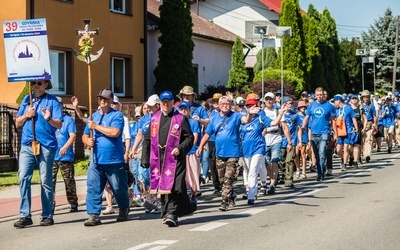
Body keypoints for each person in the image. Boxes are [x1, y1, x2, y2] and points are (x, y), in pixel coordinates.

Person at [196, 95, 260, 211]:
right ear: (219, 106)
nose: (225, 106)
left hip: (233, 153)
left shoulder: (236, 116)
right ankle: (231, 195)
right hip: (220, 153)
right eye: (223, 104)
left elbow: (246, 120)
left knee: (228, 178)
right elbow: (207, 134)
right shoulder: (214, 118)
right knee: (222, 180)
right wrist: (200, 146)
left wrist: (250, 114)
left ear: (230, 105)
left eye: (227, 103)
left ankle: (224, 202)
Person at [141, 91, 196, 227]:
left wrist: (180, 148)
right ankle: (170, 211)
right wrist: (145, 158)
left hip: (175, 158)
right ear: (160, 103)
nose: (165, 104)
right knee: (163, 185)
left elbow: (190, 138)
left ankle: (172, 213)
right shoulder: (154, 118)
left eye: (168, 102)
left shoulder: (180, 118)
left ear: (173, 103)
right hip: (158, 157)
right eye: (163, 102)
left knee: (174, 186)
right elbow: (147, 139)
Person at [14, 80, 63, 228]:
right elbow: (17, 122)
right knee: (23, 177)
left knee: (45, 180)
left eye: (39, 83)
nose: (36, 86)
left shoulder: (52, 101)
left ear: (46, 85)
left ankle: (47, 214)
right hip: (27, 145)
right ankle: (25, 215)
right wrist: (27, 115)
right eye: (34, 83)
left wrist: (49, 118)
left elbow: (59, 124)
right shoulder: (26, 100)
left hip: (46, 145)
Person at [82, 89, 130, 226]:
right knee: (93, 187)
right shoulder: (93, 117)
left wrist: (96, 127)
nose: (103, 100)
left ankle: (123, 207)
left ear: (111, 101)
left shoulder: (117, 116)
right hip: (96, 159)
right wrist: (86, 141)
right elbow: (84, 135)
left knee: (118, 187)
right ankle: (93, 215)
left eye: (106, 99)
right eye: (100, 98)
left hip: (113, 159)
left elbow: (115, 132)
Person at [302, 87, 337, 181]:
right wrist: (303, 127)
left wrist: (335, 133)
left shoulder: (329, 106)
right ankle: (321, 168)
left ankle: (320, 174)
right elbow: (306, 117)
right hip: (314, 133)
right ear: (315, 95)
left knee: (322, 153)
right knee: (316, 155)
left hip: (324, 132)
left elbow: (333, 120)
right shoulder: (312, 105)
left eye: (321, 95)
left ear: (324, 95)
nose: (320, 97)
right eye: (318, 95)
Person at [52, 96, 78, 213]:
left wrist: (65, 147)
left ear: (62, 106)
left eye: (58, 105)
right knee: (49, 182)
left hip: (65, 156)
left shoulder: (68, 120)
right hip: (51, 156)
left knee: (68, 181)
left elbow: (72, 136)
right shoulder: (49, 119)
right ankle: (50, 205)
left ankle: (73, 202)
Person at [178, 101, 201, 203]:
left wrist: (190, 147)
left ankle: (194, 193)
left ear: (188, 110)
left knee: (193, 173)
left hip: (191, 151)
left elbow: (195, 137)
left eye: (185, 109)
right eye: (181, 109)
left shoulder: (193, 122)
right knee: (184, 174)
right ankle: (186, 193)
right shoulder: (176, 122)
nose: (183, 111)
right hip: (180, 152)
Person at [333, 95, 358, 171]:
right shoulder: (336, 110)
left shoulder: (348, 108)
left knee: (346, 148)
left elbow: (353, 118)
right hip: (339, 132)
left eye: (335, 102)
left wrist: (356, 127)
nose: (334, 103)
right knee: (338, 150)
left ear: (339, 101)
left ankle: (344, 164)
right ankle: (343, 158)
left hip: (348, 131)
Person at [360, 90, 377, 163]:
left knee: (368, 139)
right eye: (364, 97)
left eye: (367, 97)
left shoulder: (371, 106)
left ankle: (367, 155)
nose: (366, 99)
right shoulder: (360, 106)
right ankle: (361, 153)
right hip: (361, 124)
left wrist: (375, 123)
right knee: (362, 140)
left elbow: (374, 116)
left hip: (369, 124)